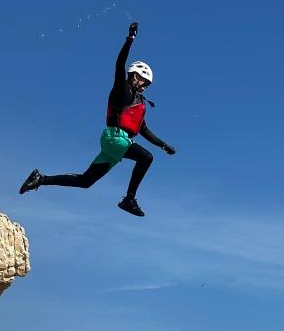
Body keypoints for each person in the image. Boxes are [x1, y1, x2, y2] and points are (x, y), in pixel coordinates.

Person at [19, 22, 175, 216]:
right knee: (145, 157)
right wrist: (130, 40)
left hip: (115, 146)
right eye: (144, 82)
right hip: (115, 138)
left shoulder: (138, 103)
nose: (145, 87)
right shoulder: (123, 91)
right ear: (135, 76)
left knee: (85, 182)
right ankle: (129, 199)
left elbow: (143, 129)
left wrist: (163, 145)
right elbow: (119, 65)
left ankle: (40, 179)